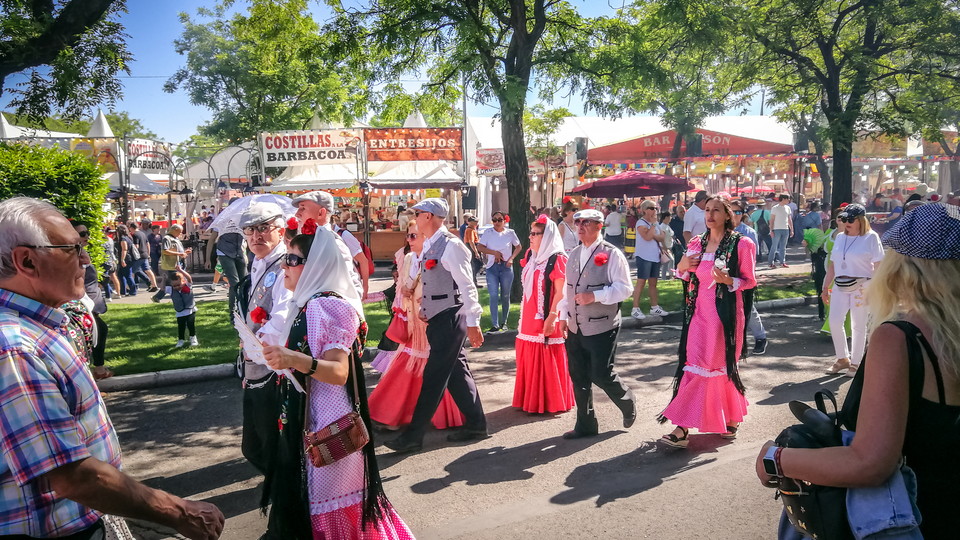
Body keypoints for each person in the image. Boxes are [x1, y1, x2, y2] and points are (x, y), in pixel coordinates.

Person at [0, 197, 224, 540]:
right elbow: (72, 475)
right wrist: (179, 512)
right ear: (27, 261)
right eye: (73, 249)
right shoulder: (14, 346)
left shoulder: (34, 327)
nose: (86, 260)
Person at [756, 202, 960, 538]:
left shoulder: (902, 338)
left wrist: (775, 459)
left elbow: (870, 464)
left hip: (914, 518)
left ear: (903, 265)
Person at [261, 226, 414, 538]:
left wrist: (292, 359)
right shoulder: (306, 303)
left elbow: (338, 372)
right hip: (313, 417)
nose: (284, 266)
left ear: (317, 264)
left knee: (325, 503)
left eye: (292, 259)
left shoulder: (328, 305)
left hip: (328, 423)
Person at [384, 198, 488, 454]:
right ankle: (476, 424)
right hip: (439, 317)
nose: (415, 217)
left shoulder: (452, 246)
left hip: (451, 318)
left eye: (418, 213)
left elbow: (467, 286)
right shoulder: (431, 244)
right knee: (456, 374)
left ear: (429, 216)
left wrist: (474, 322)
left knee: (433, 378)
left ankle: (413, 436)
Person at [658, 196, 757, 448]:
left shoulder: (741, 244)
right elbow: (686, 275)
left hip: (724, 315)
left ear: (728, 215)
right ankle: (683, 425)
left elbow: (749, 281)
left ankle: (729, 417)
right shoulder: (696, 244)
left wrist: (728, 281)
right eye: (707, 210)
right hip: (698, 313)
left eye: (716, 210)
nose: (710, 214)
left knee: (719, 365)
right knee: (694, 365)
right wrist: (681, 265)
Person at [235, 203, 300, 539]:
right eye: (250, 230)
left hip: (272, 366)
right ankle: (286, 492)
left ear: (279, 229)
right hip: (255, 364)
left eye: (263, 228)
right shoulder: (257, 263)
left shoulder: (284, 261)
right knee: (255, 446)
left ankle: (288, 503)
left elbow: (284, 311)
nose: (256, 235)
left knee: (271, 446)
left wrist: (259, 344)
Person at [368, 222, 465, 429]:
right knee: (407, 366)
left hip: (433, 321)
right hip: (414, 322)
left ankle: (420, 418)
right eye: (408, 236)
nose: (409, 241)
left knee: (436, 369)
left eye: (413, 236)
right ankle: (393, 414)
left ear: (425, 237)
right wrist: (404, 296)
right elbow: (401, 289)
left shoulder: (440, 255)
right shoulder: (409, 258)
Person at [557, 208, 638, 439]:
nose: (580, 226)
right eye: (577, 222)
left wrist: (596, 296)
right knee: (578, 376)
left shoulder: (612, 254)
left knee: (601, 373)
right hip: (575, 325)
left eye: (586, 222)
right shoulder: (573, 254)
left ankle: (626, 400)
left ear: (599, 226)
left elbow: (625, 289)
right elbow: (567, 290)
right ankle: (586, 425)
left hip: (602, 325)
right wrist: (563, 317)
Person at [514, 215, 575, 414]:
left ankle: (549, 401)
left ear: (547, 236)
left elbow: (560, 292)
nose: (530, 237)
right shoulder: (532, 257)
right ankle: (530, 398)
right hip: (529, 316)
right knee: (530, 350)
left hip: (548, 315)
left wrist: (552, 316)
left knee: (546, 351)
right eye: (530, 233)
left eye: (535, 234)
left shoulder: (558, 259)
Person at [822, 203, 885, 377]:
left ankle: (856, 362)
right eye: (843, 219)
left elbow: (879, 264)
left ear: (860, 220)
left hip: (862, 285)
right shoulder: (841, 237)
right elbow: (833, 265)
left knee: (858, 325)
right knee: (834, 321)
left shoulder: (871, 237)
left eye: (850, 219)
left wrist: (872, 287)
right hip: (841, 285)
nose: (846, 222)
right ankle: (842, 358)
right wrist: (825, 287)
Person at [292, 191, 367, 298]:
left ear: (321, 213)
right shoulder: (307, 241)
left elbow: (352, 287)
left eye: (303, 208)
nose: (297, 214)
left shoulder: (334, 243)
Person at [731, 200, 768, 355]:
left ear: (743, 214)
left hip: (743, 276)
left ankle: (760, 337)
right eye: (731, 211)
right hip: (725, 276)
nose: (734, 215)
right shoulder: (719, 231)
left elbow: (753, 258)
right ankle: (734, 343)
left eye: (738, 212)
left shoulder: (748, 232)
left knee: (747, 308)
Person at [477, 211, 522, 332]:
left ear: (504, 220)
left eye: (499, 220)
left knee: (505, 295)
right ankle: (495, 324)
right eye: (494, 220)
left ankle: (504, 322)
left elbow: (518, 246)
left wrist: (511, 259)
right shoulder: (488, 233)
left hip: (506, 266)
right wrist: (494, 253)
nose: (497, 222)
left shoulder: (510, 233)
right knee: (493, 295)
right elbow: (480, 247)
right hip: (492, 267)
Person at [205, 200, 248, 317]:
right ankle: (233, 311)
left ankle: (244, 308)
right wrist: (208, 259)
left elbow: (248, 237)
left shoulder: (244, 218)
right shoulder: (222, 218)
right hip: (225, 252)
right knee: (234, 282)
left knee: (244, 281)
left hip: (239, 251)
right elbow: (211, 239)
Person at [630, 200, 669, 320]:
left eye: (655, 208)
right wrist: (652, 227)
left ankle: (654, 306)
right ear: (645, 210)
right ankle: (635, 308)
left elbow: (662, 236)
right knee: (641, 282)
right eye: (652, 208)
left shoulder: (656, 223)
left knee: (653, 283)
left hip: (655, 256)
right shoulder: (641, 223)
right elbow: (647, 237)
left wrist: (653, 233)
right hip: (644, 256)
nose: (654, 210)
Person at [152, 224, 192, 303]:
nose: (180, 234)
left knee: (172, 282)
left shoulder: (175, 238)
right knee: (172, 282)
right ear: (175, 230)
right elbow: (165, 251)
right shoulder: (167, 239)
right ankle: (157, 297)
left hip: (178, 264)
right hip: (171, 265)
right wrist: (180, 254)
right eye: (180, 232)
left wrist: (184, 252)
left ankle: (158, 297)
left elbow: (177, 251)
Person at [168, 270, 198, 348]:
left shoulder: (188, 285)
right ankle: (181, 340)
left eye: (178, 284)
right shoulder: (171, 290)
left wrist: (180, 270)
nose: (177, 287)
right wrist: (164, 279)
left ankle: (193, 338)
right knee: (181, 326)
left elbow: (189, 278)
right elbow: (162, 288)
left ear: (183, 281)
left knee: (191, 325)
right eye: (174, 286)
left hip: (190, 310)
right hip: (180, 312)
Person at [127, 221, 158, 292]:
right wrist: (148, 253)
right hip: (145, 254)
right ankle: (154, 285)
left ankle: (130, 287)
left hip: (138, 256)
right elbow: (148, 244)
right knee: (148, 270)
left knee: (131, 271)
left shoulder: (134, 235)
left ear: (131, 228)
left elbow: (136, 246)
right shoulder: (143, 234)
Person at [768, 193, 794, 268]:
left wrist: (791, 229)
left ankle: (782, 262)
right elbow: (772, 220)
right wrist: (771, 230)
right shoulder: (775, 208)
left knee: (783, 247)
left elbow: (789, 219)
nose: (789, 200)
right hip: (776, 229)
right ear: (783, 199)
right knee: (774, 246)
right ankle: (771, 262)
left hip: (785, 229)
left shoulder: (788, 208)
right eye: (787, 199)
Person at [115, 224, 138, 296]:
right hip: (129, 258)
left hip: (126, 259)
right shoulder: (129, 237)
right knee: (121, 275)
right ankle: (123, 291)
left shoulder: (123, 239)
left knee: (127, 275)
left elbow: (124, 249)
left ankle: (133, 291)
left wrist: (122, 260)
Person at [463, 215, 483, 288]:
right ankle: (473, 280)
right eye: (475, 222)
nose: (477, 223)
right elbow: (471, 241)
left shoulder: (471, 229)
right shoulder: (470, 230)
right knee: (477, 264)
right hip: (472, 247)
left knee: (475, 265)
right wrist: (476, 252)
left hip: (471, 246)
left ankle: (474, 281)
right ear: (470, 222)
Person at [658, 212, 675, 280]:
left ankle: (666, 277)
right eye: (669, 217)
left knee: (667, 262)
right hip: (665, 247)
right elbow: (662, 239)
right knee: (669, 261)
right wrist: (664, 247)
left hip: (669, 246)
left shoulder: (667, 226)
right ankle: (668, 276)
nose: (670, 219)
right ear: (666, 218)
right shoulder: (662, 227)